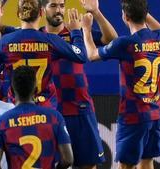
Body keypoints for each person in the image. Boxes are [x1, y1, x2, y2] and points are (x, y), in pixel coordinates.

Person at [82, 0, 160, 168]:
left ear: (125, 16)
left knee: (126, 165)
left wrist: (85, 29)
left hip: (133, 114)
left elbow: (92, 55)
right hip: (155, 112)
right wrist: (141, 10)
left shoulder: (126, 44)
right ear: (145, 14)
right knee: (147, 160)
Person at [40, 0, 117, 168]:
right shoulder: (36, 36)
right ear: (42, 9)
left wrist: (96, 13)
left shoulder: (76, 32)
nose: (58, 10)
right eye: (53, 6)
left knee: (89, 165)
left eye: (61, 5)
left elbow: (111, 39)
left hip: (80, 109)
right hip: (50, 112)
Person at [0, 0, 87, 110]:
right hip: (45, 108)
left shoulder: (5, 42)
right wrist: (76, 31)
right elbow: (81, 55)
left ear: (18, 14)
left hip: (16, 107)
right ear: (41, 13)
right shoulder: (51, 40)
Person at [0, 65, 73, 169]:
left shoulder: (0, 123)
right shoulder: (55, 117)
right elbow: (68, 159)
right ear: (36, 89)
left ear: (12, 90)